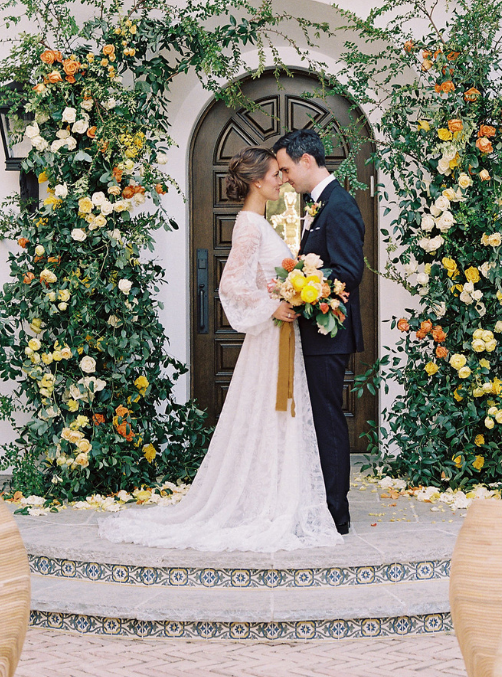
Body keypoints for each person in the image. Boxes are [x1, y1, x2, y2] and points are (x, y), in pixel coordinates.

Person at [98, 146, 340, 552]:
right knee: (268, 415)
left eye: (283, 174)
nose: (282, 179)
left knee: (276, 418)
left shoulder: (260, 222)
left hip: (279, 337)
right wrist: (274, 303)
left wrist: (283, 290)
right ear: (256, 182)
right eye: (275, 175)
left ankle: (278, 497)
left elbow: (258, 278)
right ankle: (265, 503)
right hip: (269, 338)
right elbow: (230, 284)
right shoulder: (249, 224)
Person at [272, 129, 365, 535]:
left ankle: (335, 514)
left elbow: (348, 272)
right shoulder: (318, 204)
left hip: (329, 335)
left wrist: (299, 286)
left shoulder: (339, 205)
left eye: (288, 168)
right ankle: (323, 506)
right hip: (315, 334)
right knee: (318, 418)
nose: (286, 177)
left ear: (307, 161)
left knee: (327, 419)